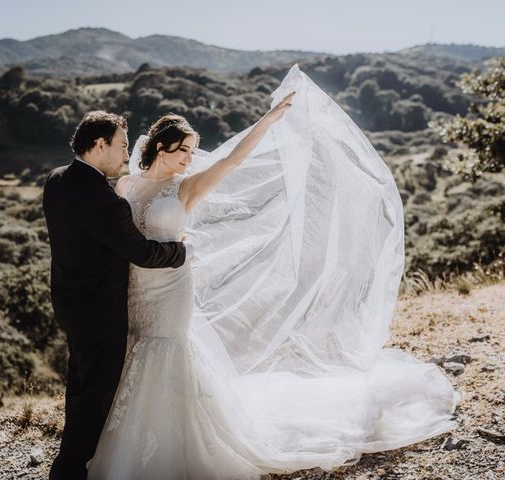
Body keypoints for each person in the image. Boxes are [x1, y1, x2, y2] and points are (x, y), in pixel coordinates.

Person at [86, 65, 459, 479]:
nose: (189, 159)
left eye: (193, 151)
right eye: (182, 151)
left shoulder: (187, 188)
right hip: (136, 289)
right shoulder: (126, 186)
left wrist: (267, 120)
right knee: (137, 349)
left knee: (167, 350)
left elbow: (231, 160)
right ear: (159, 147)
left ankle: (180, 442)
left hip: (173, 289)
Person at [42, 110, 189, 480]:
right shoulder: (104, 201)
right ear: (99, 144)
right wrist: (181, 251)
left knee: (79, 382)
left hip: (68, 302)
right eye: (122, 145)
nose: (126, 155)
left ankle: (71, 460)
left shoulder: (56, 180)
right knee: (97, 392)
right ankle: (71, 470)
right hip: (98, 311)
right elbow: (142, 253)